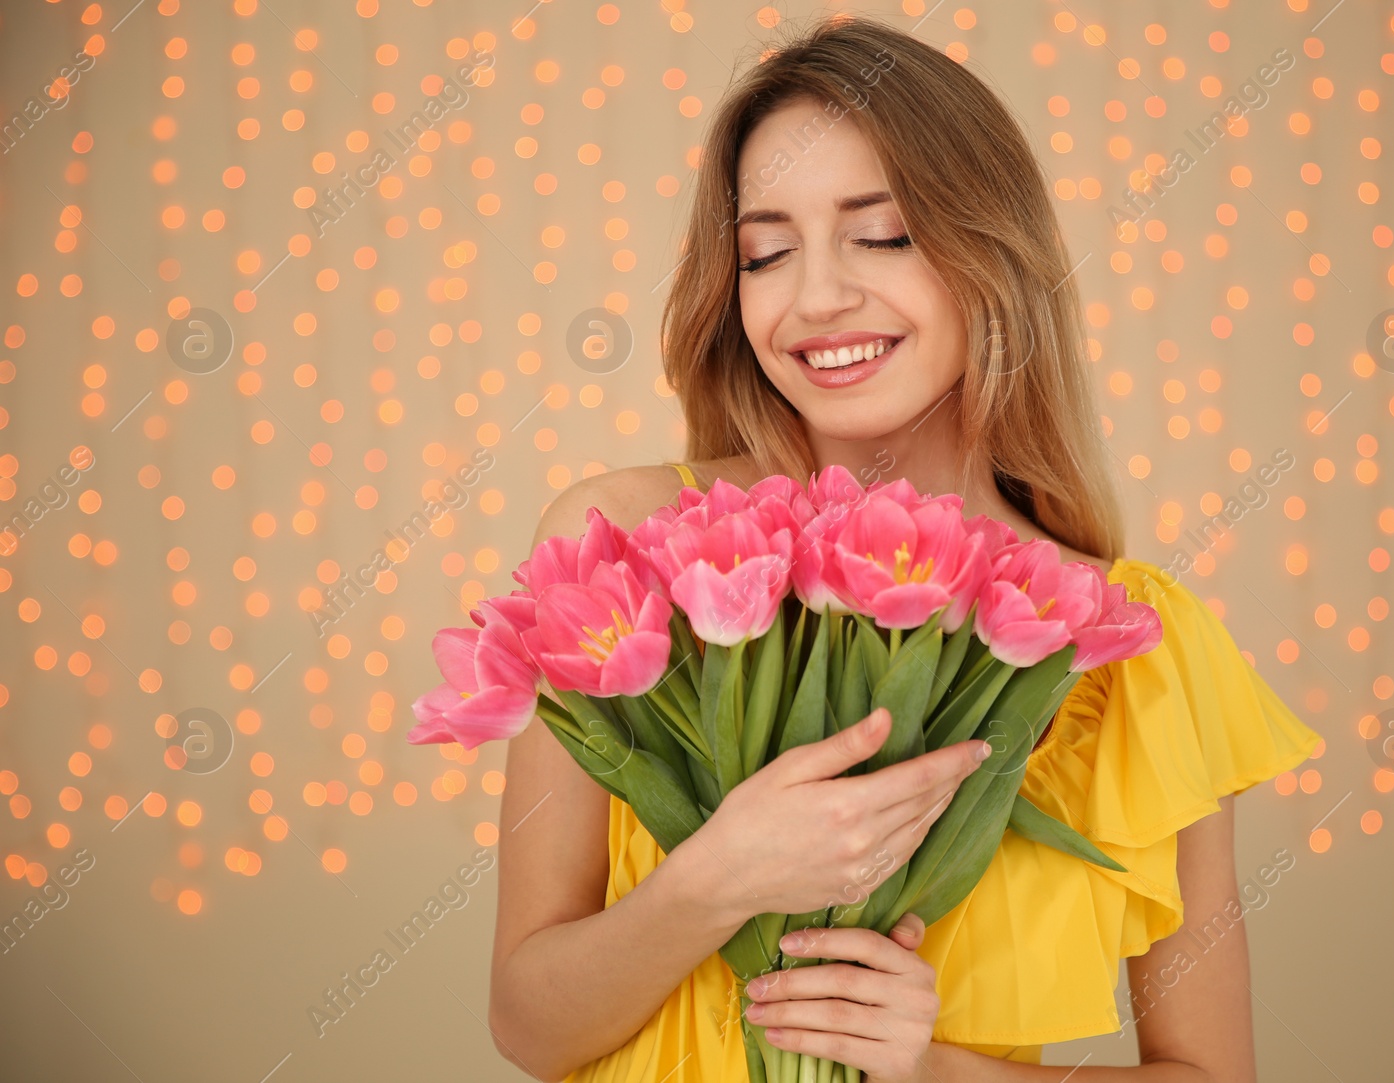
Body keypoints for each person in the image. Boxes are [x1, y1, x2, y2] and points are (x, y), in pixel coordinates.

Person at [487, 14, 1322, 1082]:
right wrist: (716, 880)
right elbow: (526, 1023)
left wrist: (929, 1069)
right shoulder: (625, 551)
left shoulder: (1127, 646)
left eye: (881, 235)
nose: (817, 297)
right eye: (766, 252)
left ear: (993, 252)